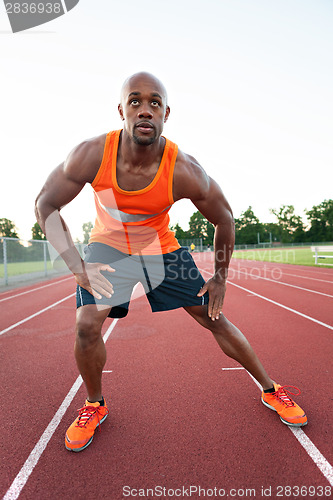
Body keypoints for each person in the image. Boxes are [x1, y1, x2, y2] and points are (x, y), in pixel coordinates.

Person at [35, 72, 307, 453]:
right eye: (135, 101)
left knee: (215, 317)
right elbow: (45, 204)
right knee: (85, 324)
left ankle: (271, 389)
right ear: (121, 111)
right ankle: (94, 405)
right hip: (107, 248)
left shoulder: (184, 169)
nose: (145, 110)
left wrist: (221, 278)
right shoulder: (92, 154)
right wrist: (77, 267)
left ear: (166, 113)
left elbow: (225, 218)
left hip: (159, 249)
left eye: (155, 103)